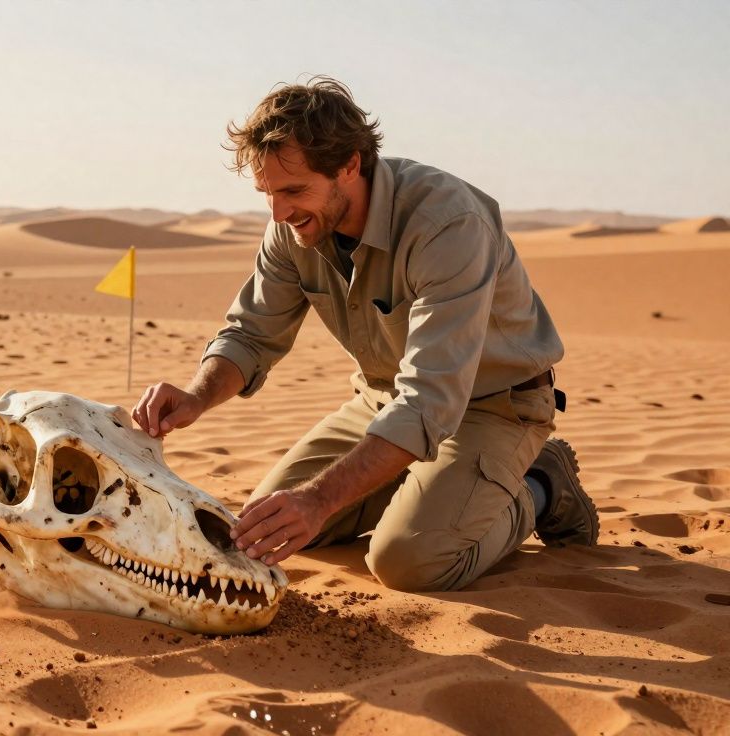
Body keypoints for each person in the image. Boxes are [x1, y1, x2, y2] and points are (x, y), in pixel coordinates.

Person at [133, 76, 599, 592]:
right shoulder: (292, 229)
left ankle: (542, 485)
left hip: (492, 407)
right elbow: (251, 333)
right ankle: (421, 484)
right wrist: (197, 397)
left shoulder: (447, 225)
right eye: (267, 193)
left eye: (293, 191)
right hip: (384, 401)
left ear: (350, 165)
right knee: (264, 529)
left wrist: (319, 499)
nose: (279, 213)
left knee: (410, 561)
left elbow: (430, 400)